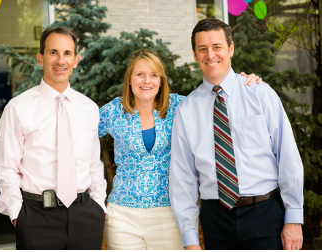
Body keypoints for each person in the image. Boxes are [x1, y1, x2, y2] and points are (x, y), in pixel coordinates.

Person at [99, 49, 262, 250]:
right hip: (122, 217)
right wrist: (94, 194)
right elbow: (81, 139)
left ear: (161, 81)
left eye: (154, 75)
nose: (146, 81)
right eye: (140, 74)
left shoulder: (179, 105)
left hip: (169, 215)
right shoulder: (114, 111)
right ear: (130, 79)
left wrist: (243, 84)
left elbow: (219, 99)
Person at [169, 18, 304, 250]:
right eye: (203, 49)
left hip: (264, 214)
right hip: (215, 219)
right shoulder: (186, 110)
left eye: (217, 47)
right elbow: (183, 177)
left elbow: (287, 155)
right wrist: (190, 238)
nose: (210, 55)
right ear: (195, 54)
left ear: (231, 48)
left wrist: (293, 217)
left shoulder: (260, 94)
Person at [0, 27, 107, 250]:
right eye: (53, 52)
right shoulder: (18, 108)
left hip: (85, 217)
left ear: (76, 60)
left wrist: (99, 206)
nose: (60, 60)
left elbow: (94, 164)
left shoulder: (89, 108)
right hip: (36, 218)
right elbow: (6, 167)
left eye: (67, 53)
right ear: (40, 58)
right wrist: (18, 215)